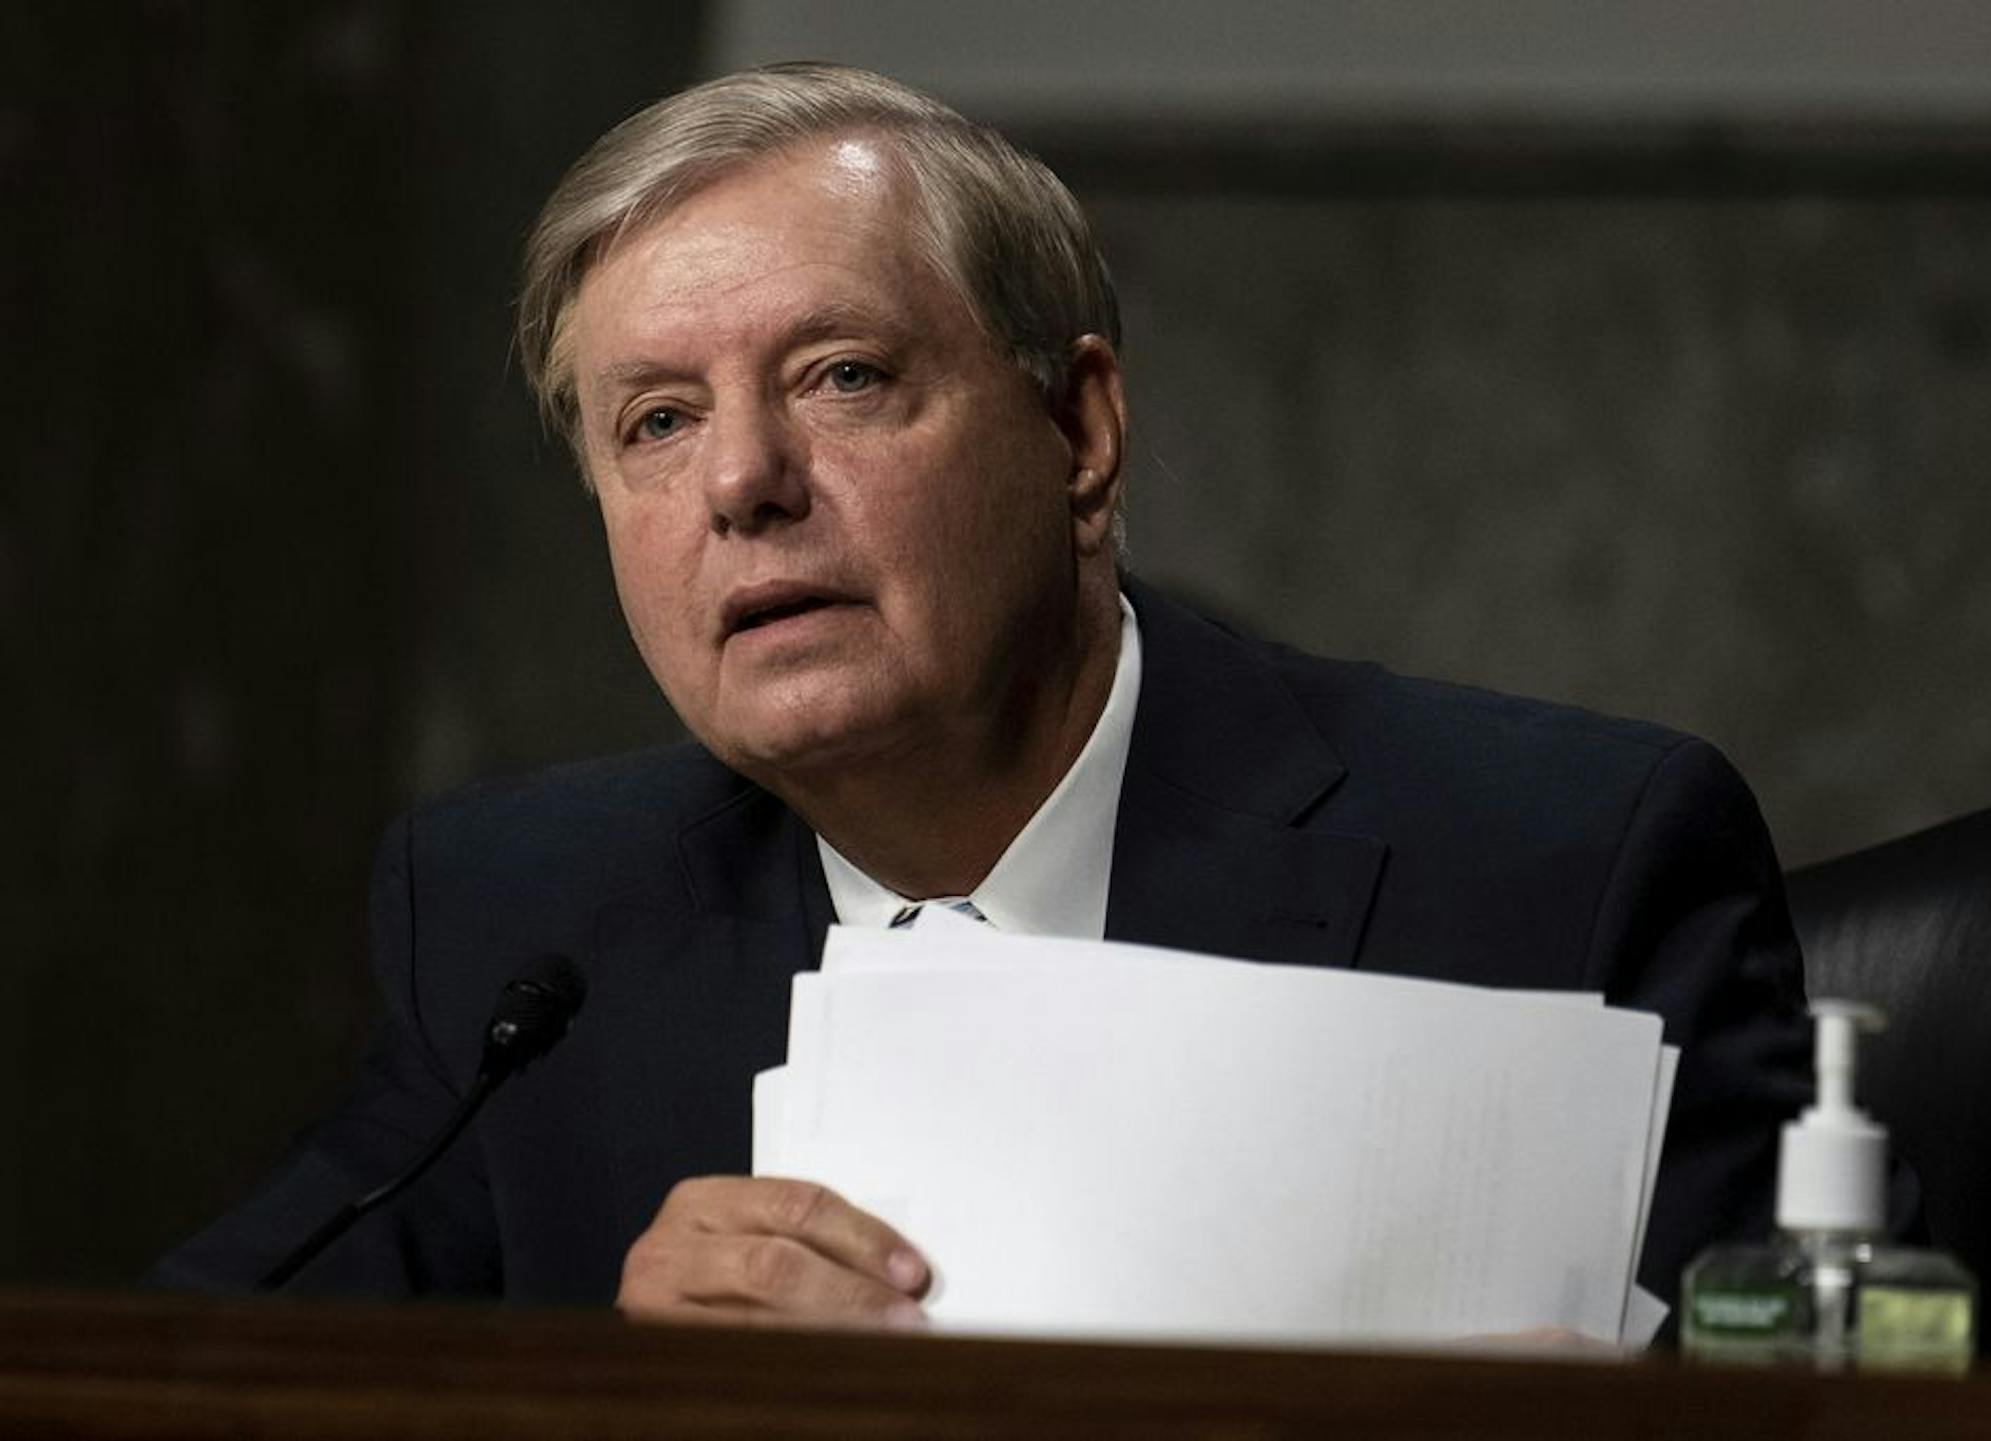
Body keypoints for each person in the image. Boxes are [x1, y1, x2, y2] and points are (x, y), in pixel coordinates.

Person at [154, 62, 1813, 1330]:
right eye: (656, 421)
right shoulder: (527, 922)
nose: (741, 480)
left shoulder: (1567, 867)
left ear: (1079, 434)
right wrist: (619, 1403)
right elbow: (188, 1376)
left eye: (842, 377)